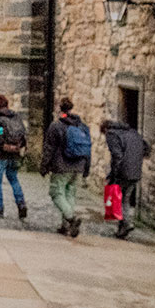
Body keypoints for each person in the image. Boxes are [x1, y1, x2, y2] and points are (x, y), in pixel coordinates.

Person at [40, 97, 91, 237]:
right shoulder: (82, 126)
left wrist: (44, 166)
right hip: (78, 166)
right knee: (70, 194)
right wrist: (86, 168)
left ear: (60, 108)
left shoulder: (56, 126)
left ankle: (71, 218)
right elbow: (88, 149)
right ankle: (66, 226)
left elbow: (49, 149)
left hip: (61, 166)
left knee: (56, 193)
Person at [100, 119, 149, 239]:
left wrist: (113, 175)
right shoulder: (133, 133)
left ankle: (127, 223)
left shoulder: (111, 134)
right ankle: (122, 229)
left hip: (123, 172)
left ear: (105, 129)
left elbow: (117, 156)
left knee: (117, 200)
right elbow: (146, 148)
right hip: (135, 172)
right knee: (125, 199)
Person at [0, 94, 28, 219]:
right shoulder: (15, 116)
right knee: (14, 180)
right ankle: (21, 204)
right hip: (14, 154)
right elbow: (23, 134)